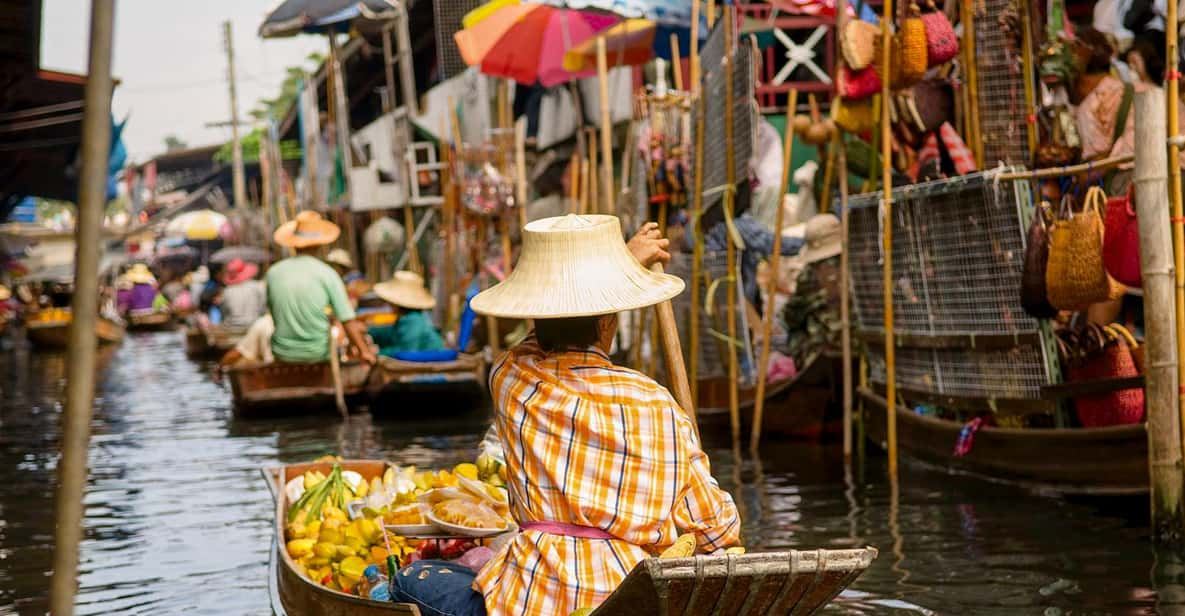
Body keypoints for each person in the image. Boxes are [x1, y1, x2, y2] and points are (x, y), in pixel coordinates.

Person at [390, 216, 740, 616]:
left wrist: (622, 262)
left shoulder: (513, 380)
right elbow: (716, 526)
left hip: (530, 599)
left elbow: (530, 345)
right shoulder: (658, 403)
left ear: (537, 318)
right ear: (608, 321)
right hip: (627, 597)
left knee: (409, 579)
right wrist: (620, 270)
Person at [266, 211, 375, 365]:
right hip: (318, 355)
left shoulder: (273, 272)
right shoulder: (327, 273)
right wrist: (364, 352)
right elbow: (347, 319)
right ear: (320, 244)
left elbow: (273, 313)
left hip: (282, 353)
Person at [780, 214, 843, 370]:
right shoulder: (859, 264)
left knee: (796, 332)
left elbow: (791, 317)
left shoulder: (811, 275)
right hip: (864, 348)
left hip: (827, 354)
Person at [367, 271, 446, 357]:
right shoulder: (405, 319)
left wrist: (377, 353)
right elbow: (389, 333)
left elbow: (406, 350)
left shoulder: (413, 320)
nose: (388, 303)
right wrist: (369, 331)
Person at [217, 258, 267, 329]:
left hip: (231, 328)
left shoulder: (227, 291)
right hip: (254, 326)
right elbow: (263, 307)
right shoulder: (258, 286)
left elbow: (224, 312)